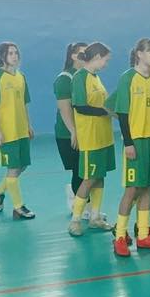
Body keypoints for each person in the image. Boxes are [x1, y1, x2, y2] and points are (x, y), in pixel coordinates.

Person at [112, 38, 150, 256]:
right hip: (136, 141)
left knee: (148, 187)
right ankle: (120, 236)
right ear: (139, 54)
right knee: (132, 189)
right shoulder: (127, 78)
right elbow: (122, 113)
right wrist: (128, 142)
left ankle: (143, 236)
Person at [67, 43, 116, 237]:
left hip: (104, 136)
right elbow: (80, 106)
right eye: (106, 60)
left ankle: (95, 217)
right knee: (89, 179)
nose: (106, 64)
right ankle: (75, 220)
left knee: (100, 176)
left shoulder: (96, 78)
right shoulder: (80, 77)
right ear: (96, 57)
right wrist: (106, 111)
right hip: (91, 137)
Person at [0, 42, 36, 220]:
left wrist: (28, 125)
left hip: (21, 129)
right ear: (2, 56)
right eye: (10, 53)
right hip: (7, 130)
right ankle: (18, 207)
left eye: (16, 53)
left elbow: (24, 103)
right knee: (13, 168)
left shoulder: (21, 77)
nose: (14, 56)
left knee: (22, 165)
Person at [54, 42, 90, 215]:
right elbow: (64, 108)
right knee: (79, 170)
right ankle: (81, 206)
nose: (86, 57)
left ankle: (79, 198)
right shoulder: (65, 78)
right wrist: (73, 131)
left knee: (86, 169)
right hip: (68, 133)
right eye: (83, 53)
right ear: (73, 56)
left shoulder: (85, 76)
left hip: (86, 130)